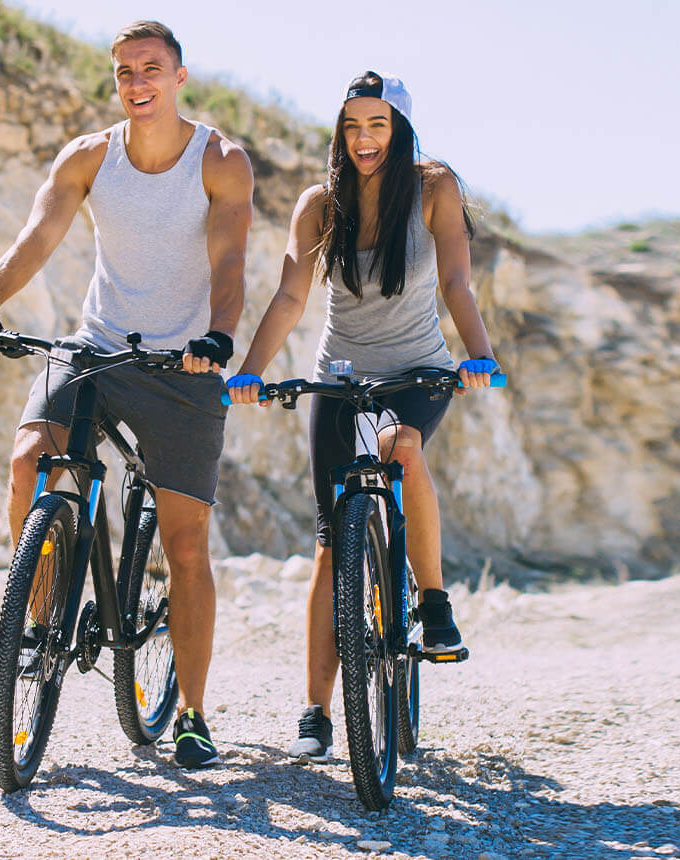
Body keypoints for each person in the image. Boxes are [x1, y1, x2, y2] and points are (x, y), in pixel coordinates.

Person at [0, 20, 252, 769]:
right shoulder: (89, 156)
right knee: (29, 460)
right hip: (95, 348)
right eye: (123, 71)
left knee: (185, 545)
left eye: (150, 68)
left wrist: (217, 335)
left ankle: (190, 712)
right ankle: (43, 611)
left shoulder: (220, 161)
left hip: (183, 369)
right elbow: (39, 233)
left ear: (180, 76)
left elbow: (231, 257)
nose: (136, 82)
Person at [226, 72, 498, 760]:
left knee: (403, 444)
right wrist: (252, 369)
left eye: (377, 125)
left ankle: (433, 606)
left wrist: (479, 355)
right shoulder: (321, 203)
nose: (364, 139)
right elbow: (291, 296)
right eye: (352, 126)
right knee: (328, 544)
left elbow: (456, 281)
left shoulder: (435, 189)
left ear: (399, 129)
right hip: (342, 376)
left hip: (418, 372)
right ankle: (315, 711)